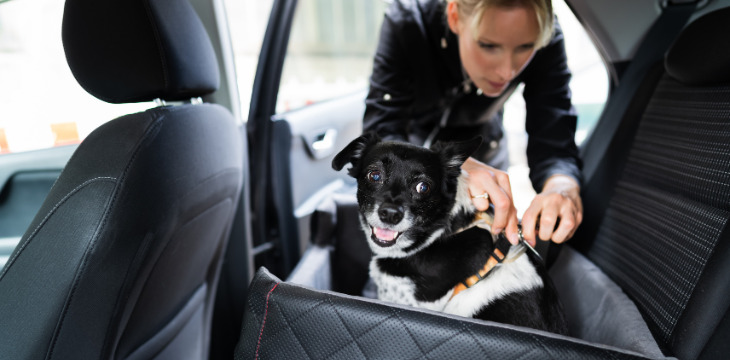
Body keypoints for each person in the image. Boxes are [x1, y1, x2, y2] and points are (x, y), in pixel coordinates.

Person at [363, 0, 583, 246]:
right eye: (488, 45)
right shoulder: (408, 22)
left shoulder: (545, 33)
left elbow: (553, 132)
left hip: (484, 148)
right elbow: (383, 127)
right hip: (406, 154)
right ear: (455, 16)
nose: (507, 71)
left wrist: (561, 186)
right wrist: (445, 167)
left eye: (526, 47)